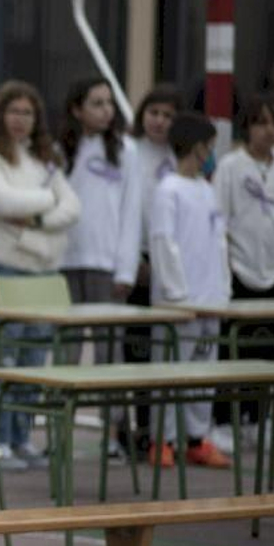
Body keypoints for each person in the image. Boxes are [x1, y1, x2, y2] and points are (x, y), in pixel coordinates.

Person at [0, 80, 80, 470]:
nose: (20, 119)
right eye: (13, 111)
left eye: (28, 112)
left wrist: (33, 219)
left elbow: (73, 207)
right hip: (6, 269)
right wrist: (49, 201)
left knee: (34, 360)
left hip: (44, 273)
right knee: (4, 357)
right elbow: (0, 201)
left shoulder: (45, 161)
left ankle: (21, 438)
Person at [211, 91, 274, 435]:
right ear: (247, 127)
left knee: (269, 351)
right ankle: (226, 420)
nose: (268, 131)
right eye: (260, 123)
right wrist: (225, 267)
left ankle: (261, 419)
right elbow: (219, 222)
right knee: (233, 349)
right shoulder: (230, 167)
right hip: (239, 269)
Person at [148, 114, 233, 469]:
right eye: (210, 148)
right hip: (179, 303)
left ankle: (197, 438)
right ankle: (162, 439)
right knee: (171, 372)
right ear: (197, 147)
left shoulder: (207, 189)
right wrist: (177, 296)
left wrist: (222, 291)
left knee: (203, 374)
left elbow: (219, 243)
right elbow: (163, 242)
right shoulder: (167, 189)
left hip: (211, 299)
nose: (212, 155)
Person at [119, 85, 179, 457]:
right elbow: (124, 209)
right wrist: (131, 261)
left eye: (168, 115)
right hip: (137, 260)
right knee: (136, 350)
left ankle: (163, 431)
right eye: (154, 113)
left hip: (171, 265)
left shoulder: (180, 155)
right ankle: (132, 428)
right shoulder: (129, 151)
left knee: (165, 351)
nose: (159, 121)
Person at [57, 76, 142, 308]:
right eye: (97, 104)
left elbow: (131, 212)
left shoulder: (126, 150)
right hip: (64, 261)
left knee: (107, 331)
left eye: (109, 103)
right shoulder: (58, 149)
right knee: (65, 331)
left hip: (107, 264)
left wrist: (126, 271)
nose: (106, 110)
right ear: (77, 110)